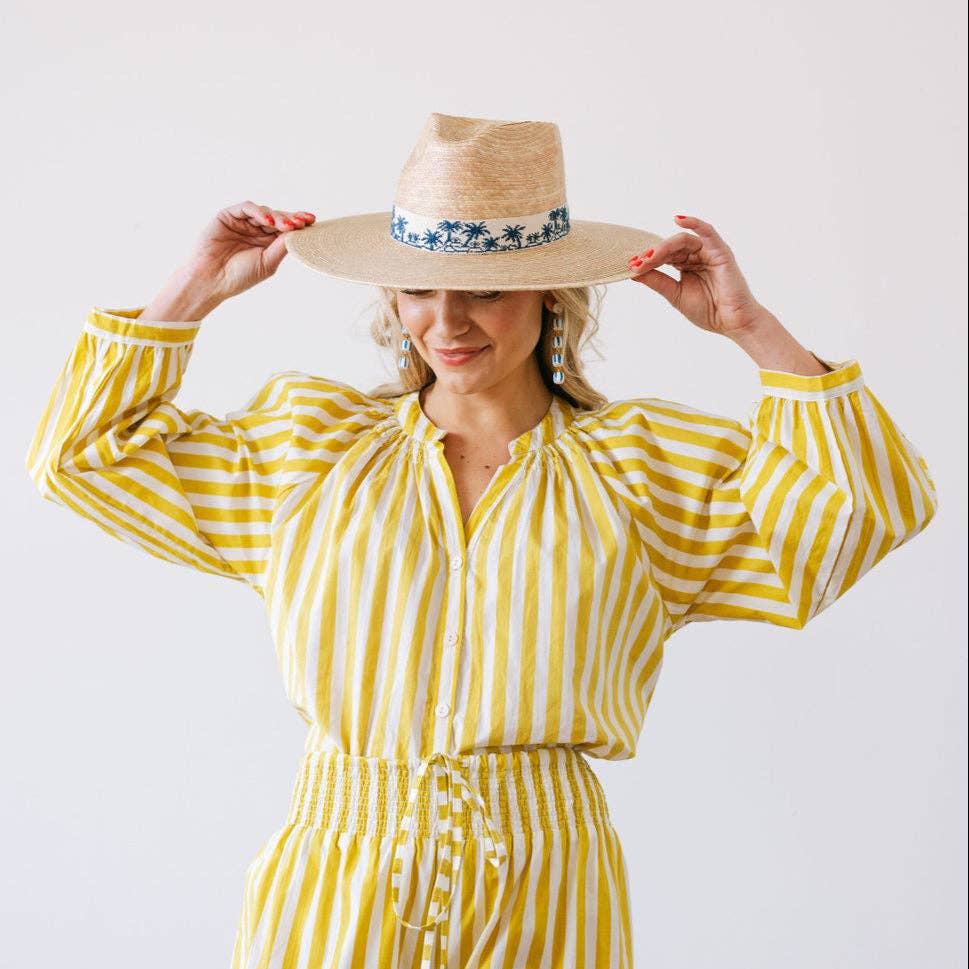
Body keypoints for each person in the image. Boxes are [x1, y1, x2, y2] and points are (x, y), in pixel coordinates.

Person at [24, 113, 938, 969]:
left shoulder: (642, 473)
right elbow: (80, 456)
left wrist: (751, 329)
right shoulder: (310, 452)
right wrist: (192, 290)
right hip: (338, 873)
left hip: (547, 880)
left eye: (486, 291)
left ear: (550, 294)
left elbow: (865, 511)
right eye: (418, 289)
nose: (446, 322)